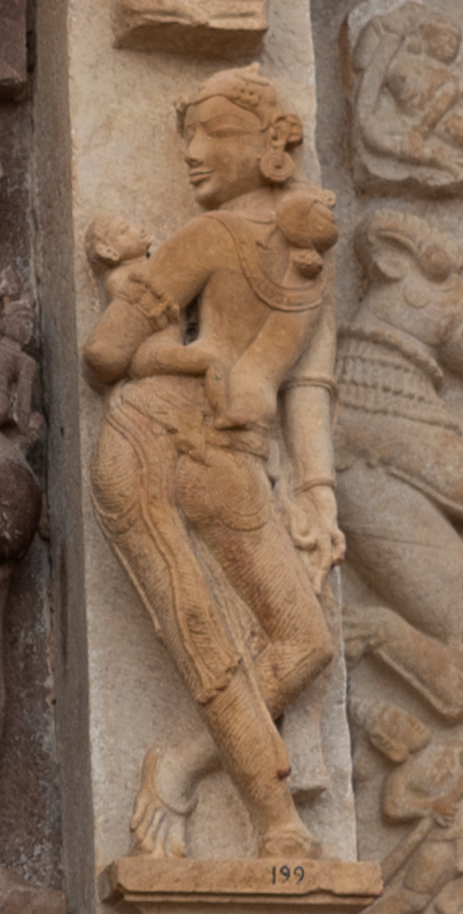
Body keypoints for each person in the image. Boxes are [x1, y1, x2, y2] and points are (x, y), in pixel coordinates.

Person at [80, 71, 344, 865]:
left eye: (213, 135)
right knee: (202, 631)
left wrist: (317, 492)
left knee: (306, 642)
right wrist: (195, 360)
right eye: (186, 138)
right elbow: (104, 355)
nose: (194, 154)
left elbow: (305, 387)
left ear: (273, 148)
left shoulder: (306, 263)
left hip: (232, 457)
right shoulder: (207, 238)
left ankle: (186, 759)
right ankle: (277, 826)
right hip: (147, 444)